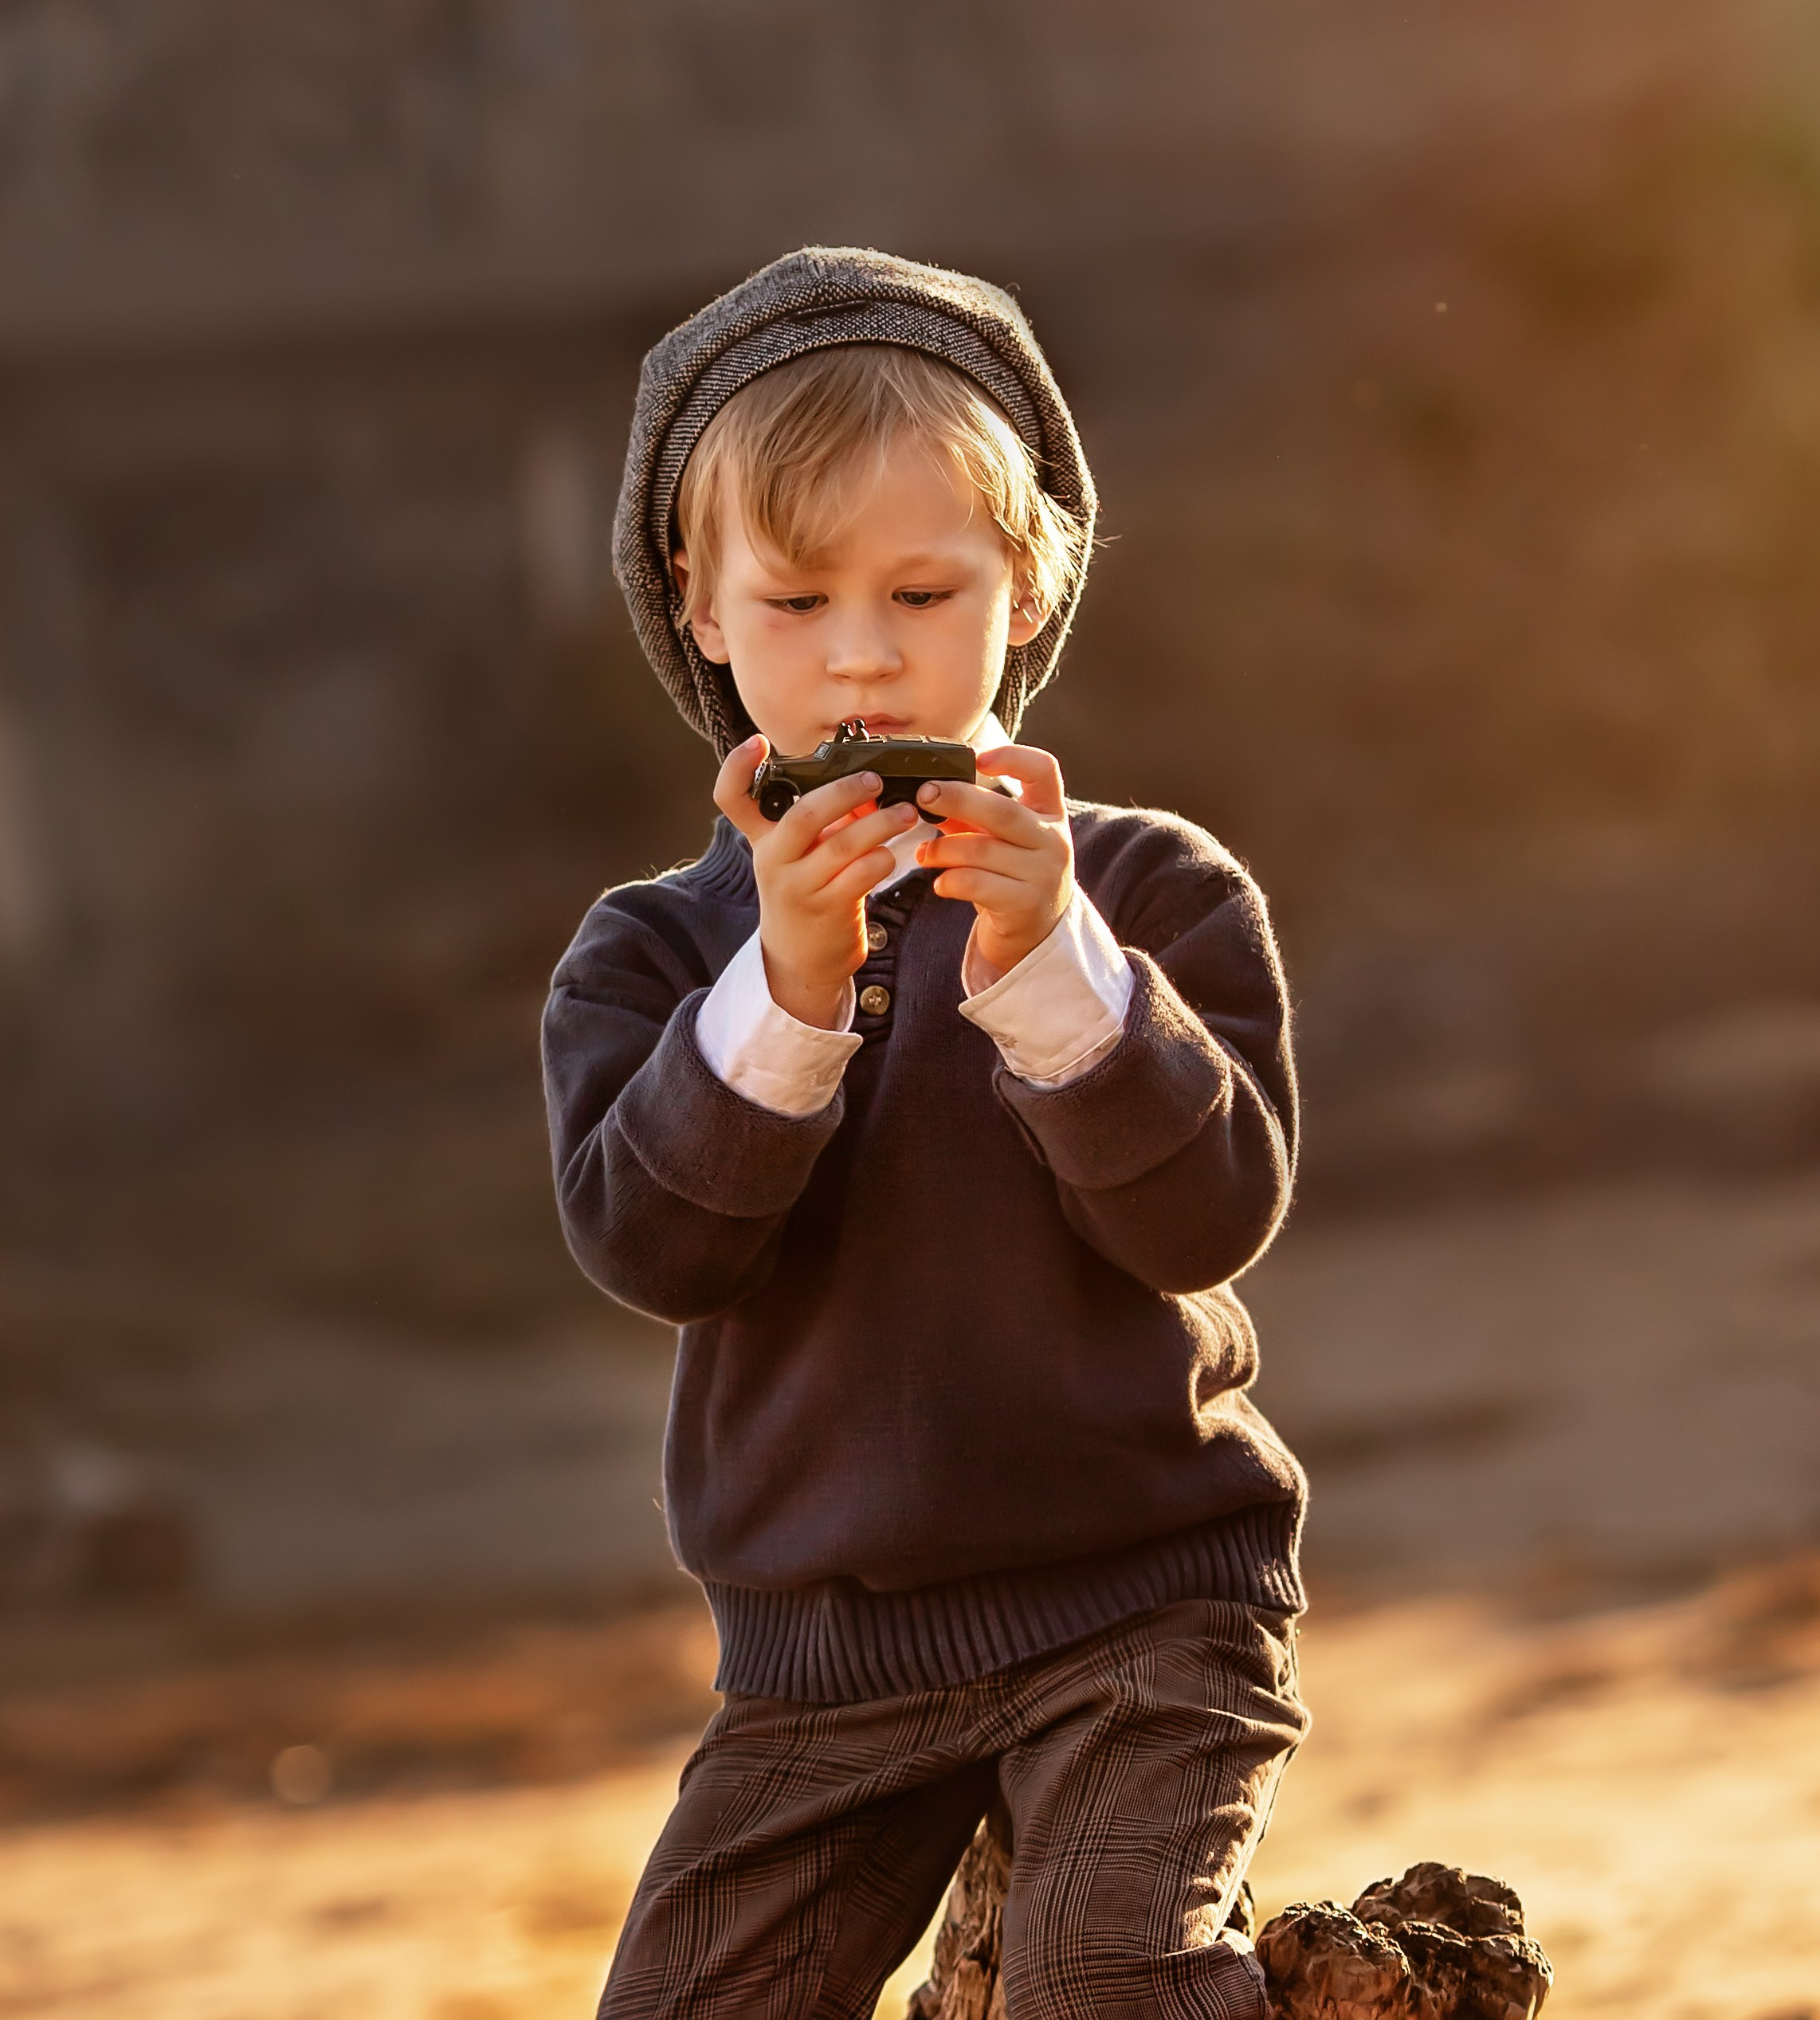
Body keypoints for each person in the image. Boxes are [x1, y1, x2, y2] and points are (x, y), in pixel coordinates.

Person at [542, 247, 1310, 2020]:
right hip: (819, 1657)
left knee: (1104, 1979)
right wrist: (785, 990)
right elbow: (655, 1247)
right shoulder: (652, 950)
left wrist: (1046, 965)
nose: (864, 654)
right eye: (797, 602)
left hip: (1144, 1603)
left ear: (1026, 585)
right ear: (702, 606)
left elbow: (1203, 1219)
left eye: (921, 589)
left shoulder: (1146, 890)